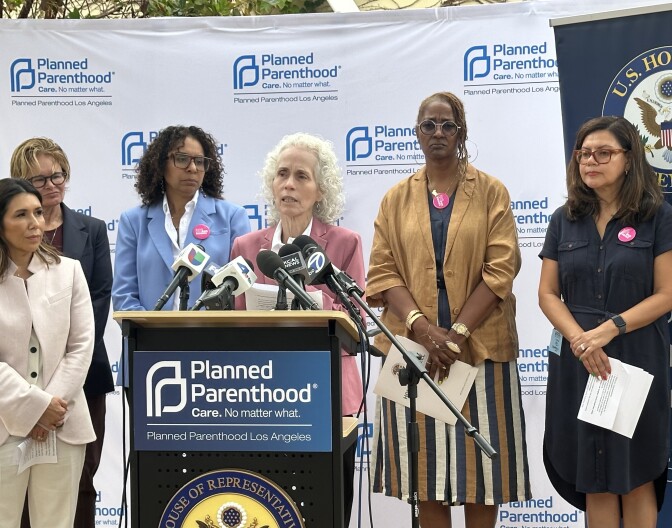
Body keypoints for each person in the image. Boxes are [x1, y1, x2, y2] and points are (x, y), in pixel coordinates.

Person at [367, 91, 531, 528]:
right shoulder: (395, 198)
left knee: (483, 477)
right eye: (429, 125)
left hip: (481, 350)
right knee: (424, 476)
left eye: (447, 125)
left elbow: (501, 270)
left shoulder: (491, 191)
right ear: (416, 132)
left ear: (461, 132)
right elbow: (382, 273)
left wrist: (455, 335)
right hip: (414, 352)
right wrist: (424, 331)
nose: (438, 133)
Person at [538, 116, 672, 528]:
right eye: (584, 154)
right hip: (579, 362)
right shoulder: (565, 218)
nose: (590, 161)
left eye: (603, 153)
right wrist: (581, 340)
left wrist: (611, 327)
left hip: (633, 358)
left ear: (629, 160)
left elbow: (666, 295)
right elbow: (547, 294)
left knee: (634, 476)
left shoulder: (657, 216)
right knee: (594, 479)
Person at [229, 132, 365, 525]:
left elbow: (356, 319)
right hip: (263, 393)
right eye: (282, 174)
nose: (289, 184)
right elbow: (235, 320)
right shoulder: (247, 246)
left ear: (320, 190)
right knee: (268, 504)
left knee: (328, 505)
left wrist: (313, 301)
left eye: (301, 176)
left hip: (328, 392)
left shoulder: (344, 243)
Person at [10, 137, 114, 528]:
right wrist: (35, 398)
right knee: (17, 483)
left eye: (59, 175)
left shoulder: (92, 229)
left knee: (81, 479)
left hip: (81, 377)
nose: (53, 185)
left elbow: (100, 299)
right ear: (20, 182)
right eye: (41, 179)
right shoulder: (7, 244)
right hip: (19, 382)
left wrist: (59, 387)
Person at [0, 178, 95, 528]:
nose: (35, 223)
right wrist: (32, 407)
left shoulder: (68, 271)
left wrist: (49, 409)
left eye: (38, 213)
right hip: (4, 423)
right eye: (21, 215)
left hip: (62, 423)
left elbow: (81, 346)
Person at [112, 125, 250, 313]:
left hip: (214, 338)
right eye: (182, 159)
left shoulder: (232, 217)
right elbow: (124, 296)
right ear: (161, 164)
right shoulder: (133, 221)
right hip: (152, 339)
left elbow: (242, 295)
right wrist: (152, 334)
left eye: (200, 161)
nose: (192, 168)